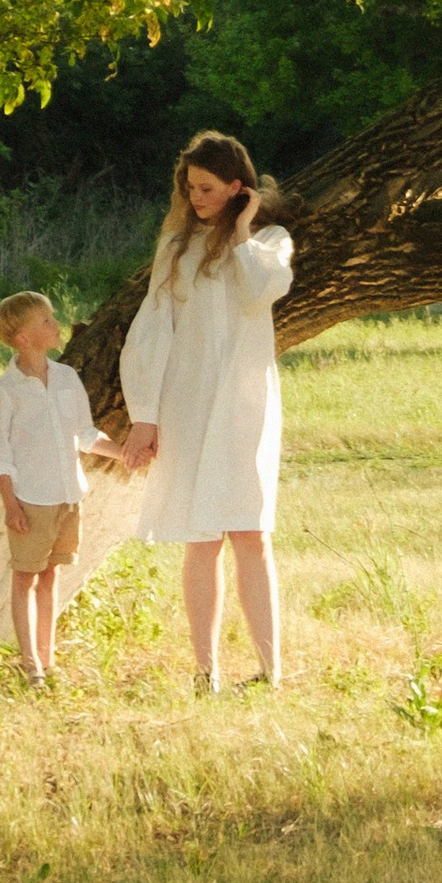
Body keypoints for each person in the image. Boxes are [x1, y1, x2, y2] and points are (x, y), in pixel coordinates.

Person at [119, 133, 293, 692]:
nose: (195, 197)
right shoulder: (177, 247)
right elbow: (153, 329)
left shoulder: (269, 242)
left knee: (251, 534)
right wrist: (144, 414)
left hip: (246, 404)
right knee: (202, 538)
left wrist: (241, 232)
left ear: (237, 188)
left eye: (207, 188)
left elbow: (260, 293)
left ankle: (270, 671)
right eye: (190, 187)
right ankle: (205, 671)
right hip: (188, 402)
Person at [0, 289, 122, 684]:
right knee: (25, 577)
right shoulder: (7, 390)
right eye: (46, 321)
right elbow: (1, 455)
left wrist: (124, 453)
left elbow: (85, 434)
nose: (55, 324)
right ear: (23, 338)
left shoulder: (66, 378)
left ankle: (48, 659)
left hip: (69, 496)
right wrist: (11, 505)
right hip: (31, 500)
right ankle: (30, 663)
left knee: (50, 576)